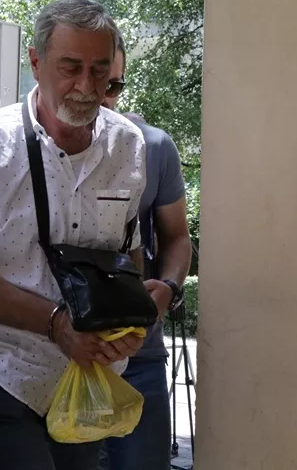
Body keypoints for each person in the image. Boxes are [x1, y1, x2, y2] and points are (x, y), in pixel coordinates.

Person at [0, 0, 152, 470]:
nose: (87, 86)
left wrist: (127, 325)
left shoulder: (128, 145)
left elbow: (127, 257)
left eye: (100, 69)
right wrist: (54, 323)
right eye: (71, 67)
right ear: (35, 62)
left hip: (88, 377)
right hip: (0, 367)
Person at [98, 35, 192, 470]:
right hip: (52, 356)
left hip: (139, 353)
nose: (99, 93)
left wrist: (168, 287)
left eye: (112, 84)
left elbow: (177, 237)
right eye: (77, 71)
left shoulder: (153, 147)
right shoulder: (29, 145)